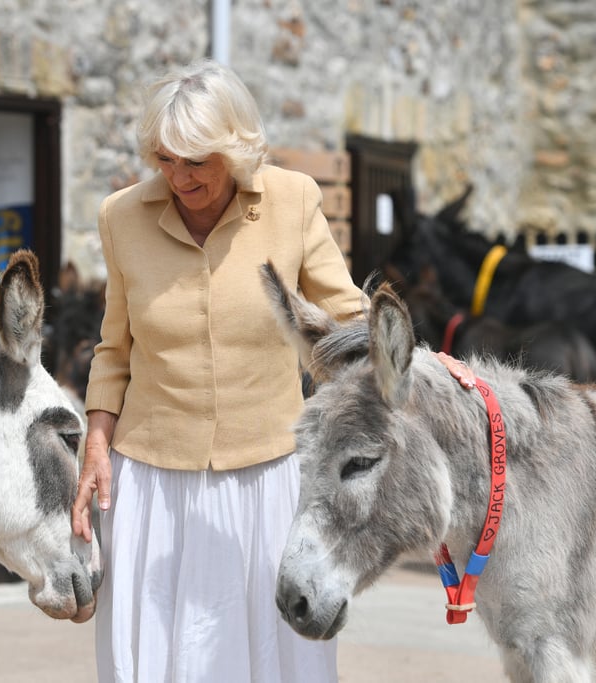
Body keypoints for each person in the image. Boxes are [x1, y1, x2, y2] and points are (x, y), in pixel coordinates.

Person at [71, 58, 475, 683]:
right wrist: (97, 441)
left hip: (267, 478)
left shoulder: (293, 201)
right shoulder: (120, 216)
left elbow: (345, 318)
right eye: (165, 159)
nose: (179, 176)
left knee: (267, 654)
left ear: (234, 149)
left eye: (196, 160)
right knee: (155, 655)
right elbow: (114, 348)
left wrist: (408, 373)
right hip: (153, 480)